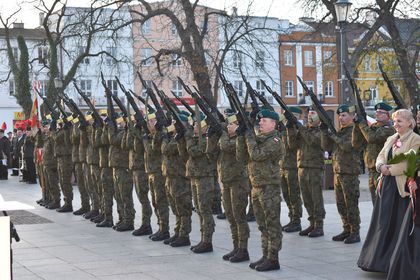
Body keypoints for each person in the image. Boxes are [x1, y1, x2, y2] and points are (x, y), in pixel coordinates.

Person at [358, 109, 420, 273]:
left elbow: (409, 163)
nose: (396, 124)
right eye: (394, 121)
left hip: (401, 188)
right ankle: (378, 261)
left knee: (397, 224)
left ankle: (394, 262)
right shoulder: (392, 138)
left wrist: (389, 170)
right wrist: (380, 166)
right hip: (386, 185)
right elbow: (380, 155)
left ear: (409, 122)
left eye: (400, 121)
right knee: (383, 223)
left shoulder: (415, 140)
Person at [245, 109, 283, 271]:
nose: (260, 123)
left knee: (271, 223)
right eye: (260, 121)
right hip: (256, 186)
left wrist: (248, 138)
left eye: (264, 121)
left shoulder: (274, 141)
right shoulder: (259, 138)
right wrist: (242, 136)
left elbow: (256, 155)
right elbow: (243, 156)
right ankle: (266, 255)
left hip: (269, 188)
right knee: (262, 224)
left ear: (273, 124)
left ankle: (273, 259)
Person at [321, 104, 361, 244]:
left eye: (344, 115)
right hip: (338, 171)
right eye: (339, 115)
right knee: (340, 203)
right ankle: (346, 229)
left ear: (352, 116)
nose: (340, 118)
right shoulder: (340, 131)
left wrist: (333, 136)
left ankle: (355, 231)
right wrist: (325, 133)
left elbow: (347, 146)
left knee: (351, 203)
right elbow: (326, 147)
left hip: (349, 172)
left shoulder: (354, 130)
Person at [217, 112, 250, 262]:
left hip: (238, 182)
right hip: (226, 181)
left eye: (231, 124)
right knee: (230, 216)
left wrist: (224, 132)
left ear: (238, 126)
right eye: (228, 124)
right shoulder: (228, 137)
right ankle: (236, 247)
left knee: (239, 217)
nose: (228, 126)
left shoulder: (239, 139)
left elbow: (226, 146)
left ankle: (243, 249)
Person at [289, 109, 326, 237]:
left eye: (313, 113)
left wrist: (300, 127)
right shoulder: (304, 129)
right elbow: (292, 145)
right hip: (302, 167)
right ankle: (312, 223)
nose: (310, 115)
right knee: (307, 199)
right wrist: (291, 129)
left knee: (316, 198)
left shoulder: (321, 130)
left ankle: (319, 225)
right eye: (309, 113)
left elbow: (313, 141)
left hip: (315, 168)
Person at [352, 102, 395, 204]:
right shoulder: (372, 128)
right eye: (376, 112)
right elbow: (356, 143)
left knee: (383, 203)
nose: (377, 114)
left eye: (381, 112)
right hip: (371, 170)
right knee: (375, 204)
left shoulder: (389, 129)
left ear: (388, 115)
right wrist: (356, 125)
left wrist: (362, 124)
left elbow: (372, 138)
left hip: (382, 170)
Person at [280, 107, 303, 232]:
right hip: (283, 166)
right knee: (286, 195)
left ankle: (296, 221)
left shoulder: (298, 129)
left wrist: (289, 128)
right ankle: (291, 218)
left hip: (293, 167)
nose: (286, 118)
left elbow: (292, 145)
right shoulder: (285, 128)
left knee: (294, 195)